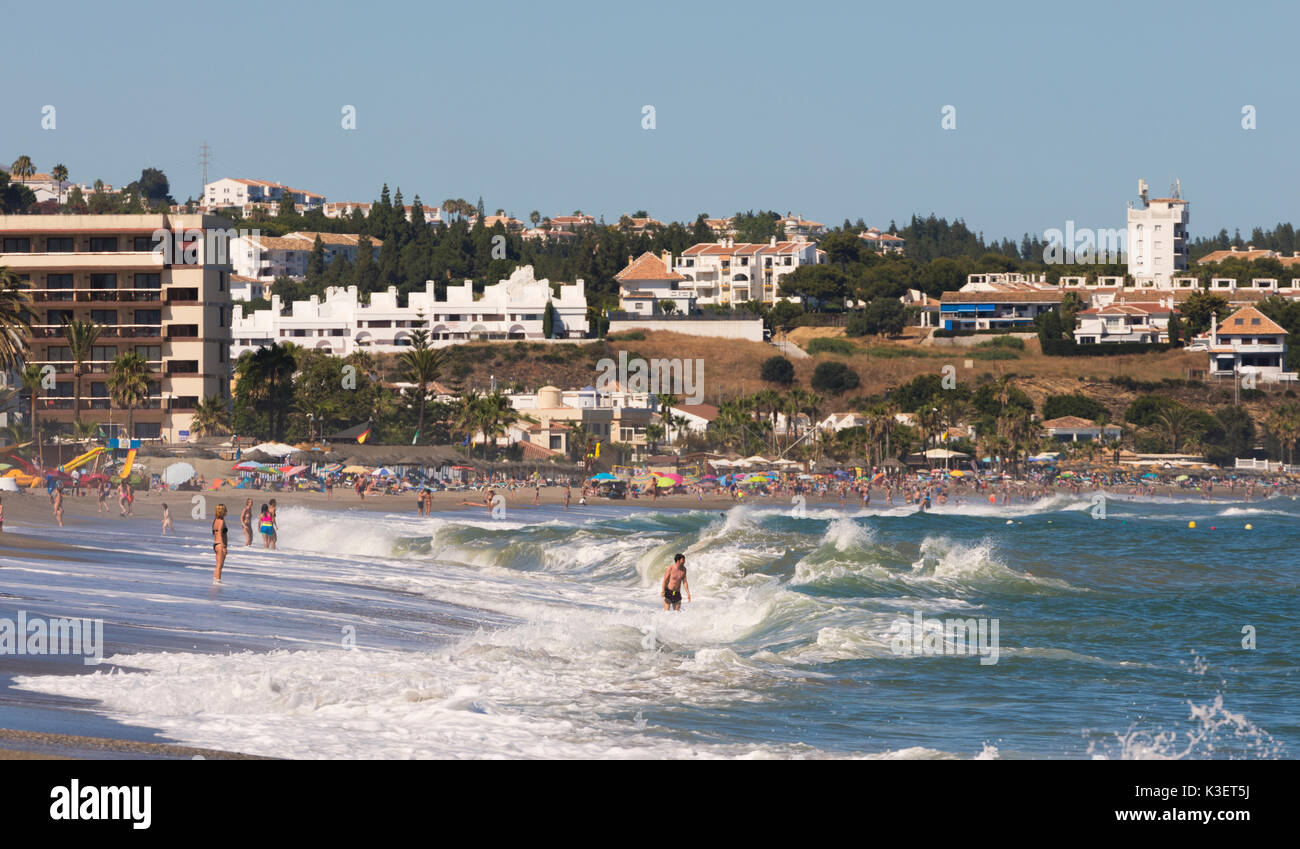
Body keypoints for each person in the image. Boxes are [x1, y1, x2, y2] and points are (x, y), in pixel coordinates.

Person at [212, 504, 229, 583]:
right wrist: (224, 547)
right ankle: (217, 581)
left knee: (218, 565)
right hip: (220, 544)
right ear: (222, 512)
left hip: (216, 544)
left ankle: (215, 580)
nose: (227, 512)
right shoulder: (221, 522)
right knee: (220, 565)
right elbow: (219, 534)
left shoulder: (215, 520)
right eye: (225, 510)